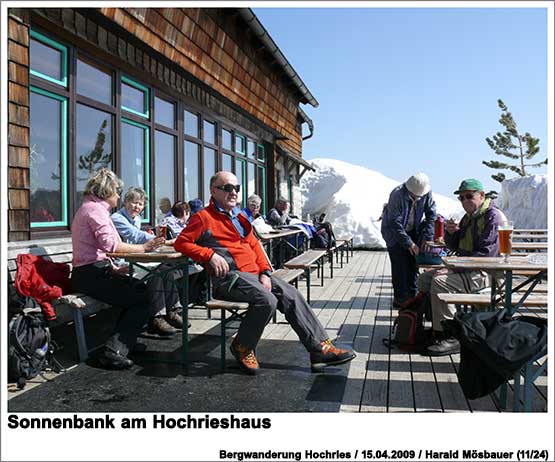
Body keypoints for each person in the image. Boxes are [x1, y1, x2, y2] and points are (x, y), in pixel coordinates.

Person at [174, 171, 356, 375]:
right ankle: (243, 346)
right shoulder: (203, 218)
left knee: (291, 295)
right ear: (213, 191)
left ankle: (320, 349)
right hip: (229, 279)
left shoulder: (239, 217)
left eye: (236, 188)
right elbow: (182, 243)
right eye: (227, 188)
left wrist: (265, 272)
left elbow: (256, 246)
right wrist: (209, 255)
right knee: (267, 300)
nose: (233, 192)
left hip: (253, 276)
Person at [71, 169, 165, 370]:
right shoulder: (96, 211)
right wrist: (144, 248)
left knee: (138, 290)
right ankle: (113, 351)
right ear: (107, 191)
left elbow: (97, 250)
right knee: (141, 298)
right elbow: (111, 246)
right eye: (117, 192)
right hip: (90, 275)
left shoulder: (91, 208)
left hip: (89, 272)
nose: (119, 196)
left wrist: (113, 268)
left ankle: (125, 342)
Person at [418, 178, 505, 356]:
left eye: (469, 196)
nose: (465, 201)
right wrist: (451, 233)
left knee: (441, 282)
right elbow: (455, 247)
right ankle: (440, 327)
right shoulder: (469, 217)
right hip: (471, 269)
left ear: (482, 195)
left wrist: (454, 269)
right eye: (461, 197)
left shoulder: (492, 217)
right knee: (424, 279)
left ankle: (451, 336)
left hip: (487, 273)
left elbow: (486, 255)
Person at [111, 187, 183, 336]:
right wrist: (162, 240)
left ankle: (173, 310)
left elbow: (139, 239)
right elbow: (135, 235)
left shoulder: (136, 219)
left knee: (165, 270)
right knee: (154, 274)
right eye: (133, 202)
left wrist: (159, 242)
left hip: (133, 260)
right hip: (120, 264)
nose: (136, 207)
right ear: (125, 202)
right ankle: (156, 318)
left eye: (140, 204)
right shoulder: (117, 218)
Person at [381, 173, 436, 308]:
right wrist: (409, 244)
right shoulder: (397, 194)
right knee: (399, 265)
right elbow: (395, 223)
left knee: (413, 264)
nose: (417, 198)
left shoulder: (426, 192)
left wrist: (427, 237)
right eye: (414, 196)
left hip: (413, 229)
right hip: (394, 233)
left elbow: (431, 214)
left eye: (419, 196)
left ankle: (413, 297)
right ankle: (400, 298)